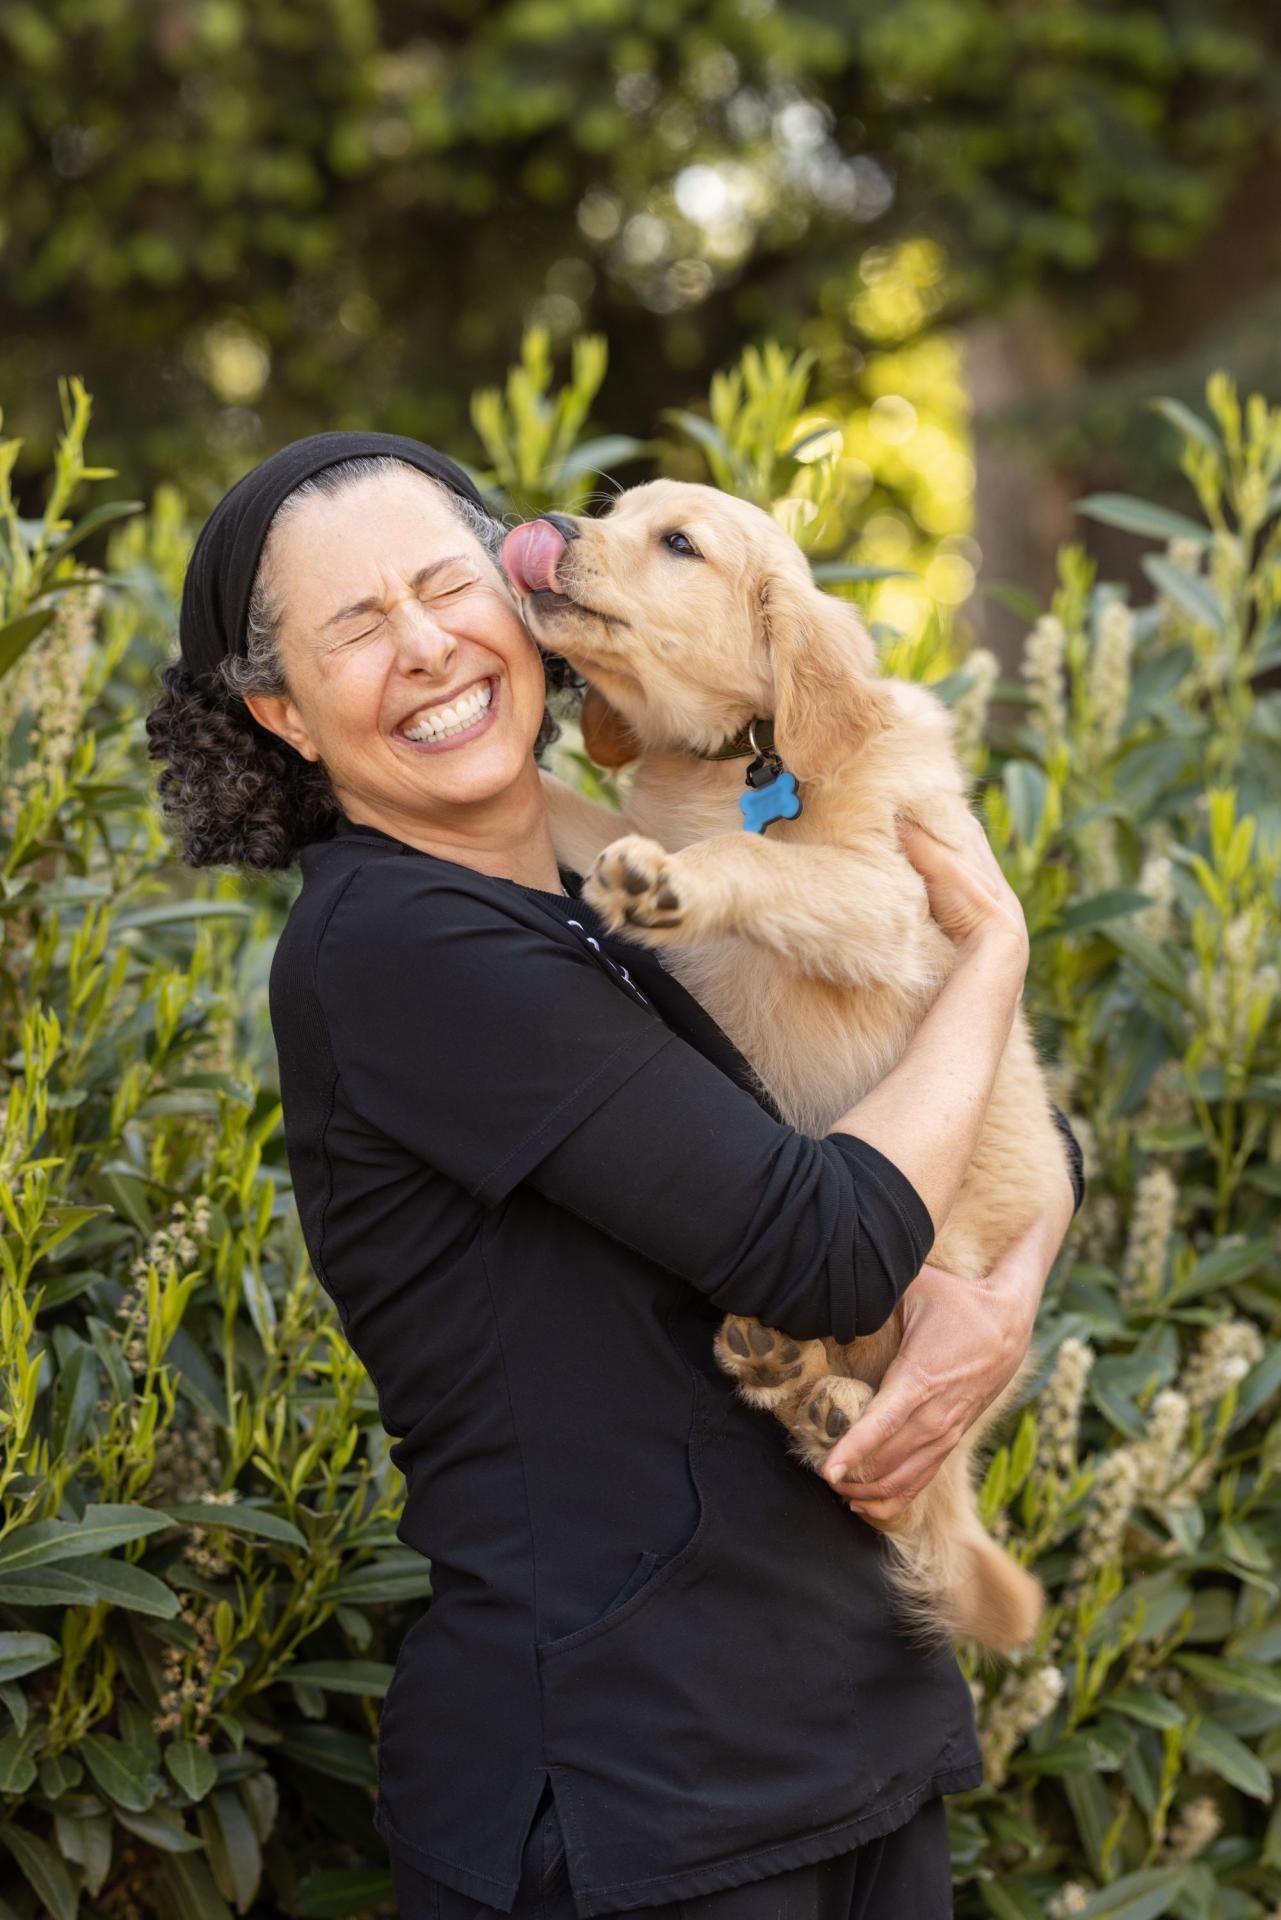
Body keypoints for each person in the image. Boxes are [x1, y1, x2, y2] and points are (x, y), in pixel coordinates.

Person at [146, 431, 1085, 1920]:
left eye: (447, 587)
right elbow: (826, 1244)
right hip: (631, 1799)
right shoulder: (404, 949)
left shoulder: (618, 882)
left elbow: (992, 1124)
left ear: (522, 613)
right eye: (356, 627)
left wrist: (1002, 1291)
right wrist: (995, 953)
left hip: (838, 1734)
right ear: (283, 714)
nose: (428, 646)